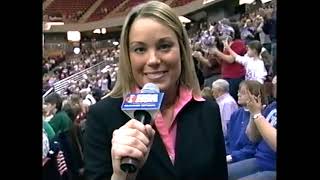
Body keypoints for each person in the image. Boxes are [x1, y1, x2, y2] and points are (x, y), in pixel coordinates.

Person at [84, 1, 228, 180]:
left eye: (164, 46)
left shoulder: (209, 112)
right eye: (140, 49)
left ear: (182, 50)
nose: (152, 60)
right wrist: (121, 176)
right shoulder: (101, 116)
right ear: (128, 57)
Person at [228, 76, 277, 180]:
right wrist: (253, 113)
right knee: (217, 173)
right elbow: (253, 137)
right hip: (260, 160)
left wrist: (258, 115)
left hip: (272, 166)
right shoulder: (273, 106)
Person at [225, 80, 267, 165]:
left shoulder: (262, 115)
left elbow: (254, 146)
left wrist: (232, 156)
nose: (238, 94)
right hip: (230, 156)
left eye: (243, 92)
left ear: (255, 95)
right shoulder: (235, 114)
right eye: (238, 91)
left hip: (247, 159)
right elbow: (227, 139)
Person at [213, 23, 246, 102]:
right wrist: (215, 54)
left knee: (233, 100)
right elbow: (223, 62)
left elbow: (231, 59)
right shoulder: (227, 46)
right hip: (226, 77)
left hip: (235, 77)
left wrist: (217, 52)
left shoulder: (238, 43)